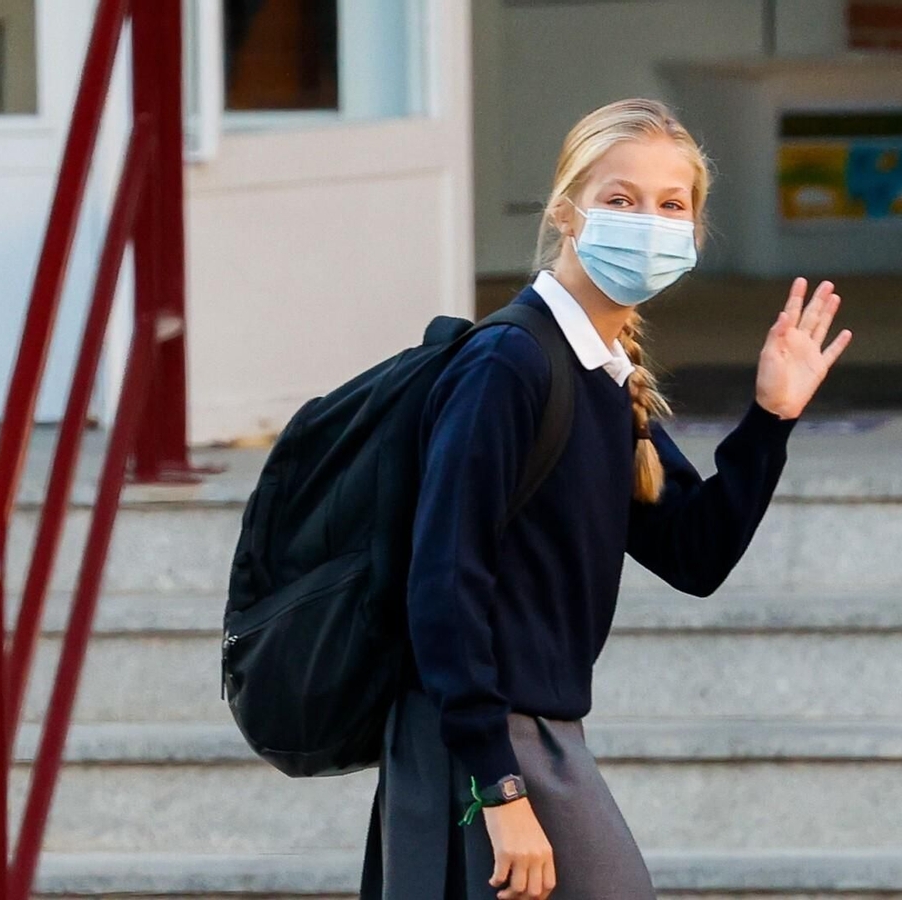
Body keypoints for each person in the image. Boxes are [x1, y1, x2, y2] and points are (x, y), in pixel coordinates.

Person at [361, 97, 851, 900]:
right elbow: (444, 582)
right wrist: (499, 789)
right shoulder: (511, 364)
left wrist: (771, 418)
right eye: (620, 199)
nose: (648, 222)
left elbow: (695, 555)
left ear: (695, 231)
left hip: (530, 737)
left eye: (672, 205)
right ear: (566, 211)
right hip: (486, 745)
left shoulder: (604, 376)